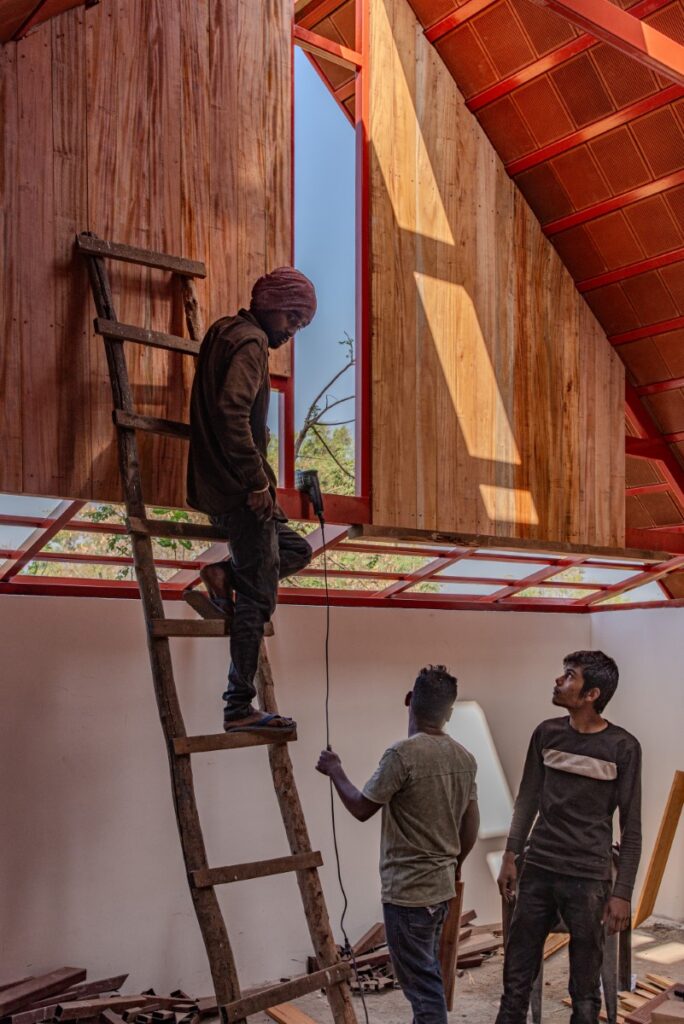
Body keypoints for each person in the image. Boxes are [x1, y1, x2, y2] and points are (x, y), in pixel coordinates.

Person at [187, 267, 317, 736]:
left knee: (298, 550)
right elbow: (231, 413)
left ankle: (225, 574)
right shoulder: (251, 342)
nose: (292, 329)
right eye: (293, 317)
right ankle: (239, 705)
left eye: (299, 323)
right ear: (272, 302)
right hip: (240, 491)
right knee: (257, 600)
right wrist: (256, 482)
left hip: (224, 485)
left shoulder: (223, 330)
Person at [316, 665, 479, 1024]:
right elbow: (471, 825)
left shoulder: (402, 755)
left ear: (409, 701)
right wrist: (456, 866)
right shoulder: (464, 758)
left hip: (407, 896)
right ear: (449, 712)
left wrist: (335, 769)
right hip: (440, 891)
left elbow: (361, 808)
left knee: (423, 989)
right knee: (428, 975)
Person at [496, 650, 642, 1024]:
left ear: (592, 694)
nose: (559, 681)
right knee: (515, 984)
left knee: (585, 993)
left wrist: (621, 892)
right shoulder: (547, 734)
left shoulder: (623, 748)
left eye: (569, 676)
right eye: (563, 674)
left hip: (589, 878)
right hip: (539, 869)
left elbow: (632, 827)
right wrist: (512, 855)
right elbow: (527, 799)